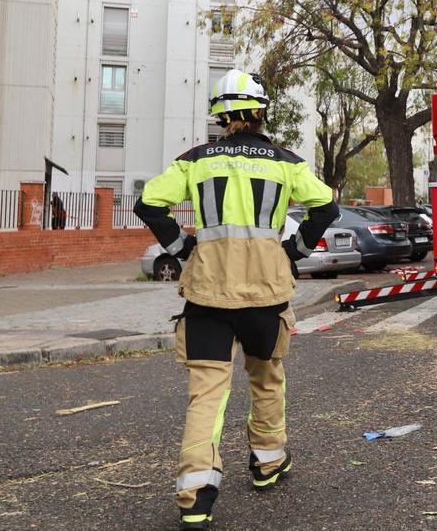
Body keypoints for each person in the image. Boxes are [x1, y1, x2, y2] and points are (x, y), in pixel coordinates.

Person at [134, 70, 338, 530]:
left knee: (206, 391)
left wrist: (184, 248)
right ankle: (268, 463)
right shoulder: (286, 162)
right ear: (261, 111)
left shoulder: (196, 160)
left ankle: (195, 493)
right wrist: (293, 252)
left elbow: (148, 203)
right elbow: (326, 207)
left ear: (220, 114)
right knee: (267, 379)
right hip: (267, 292)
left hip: (208, 292)